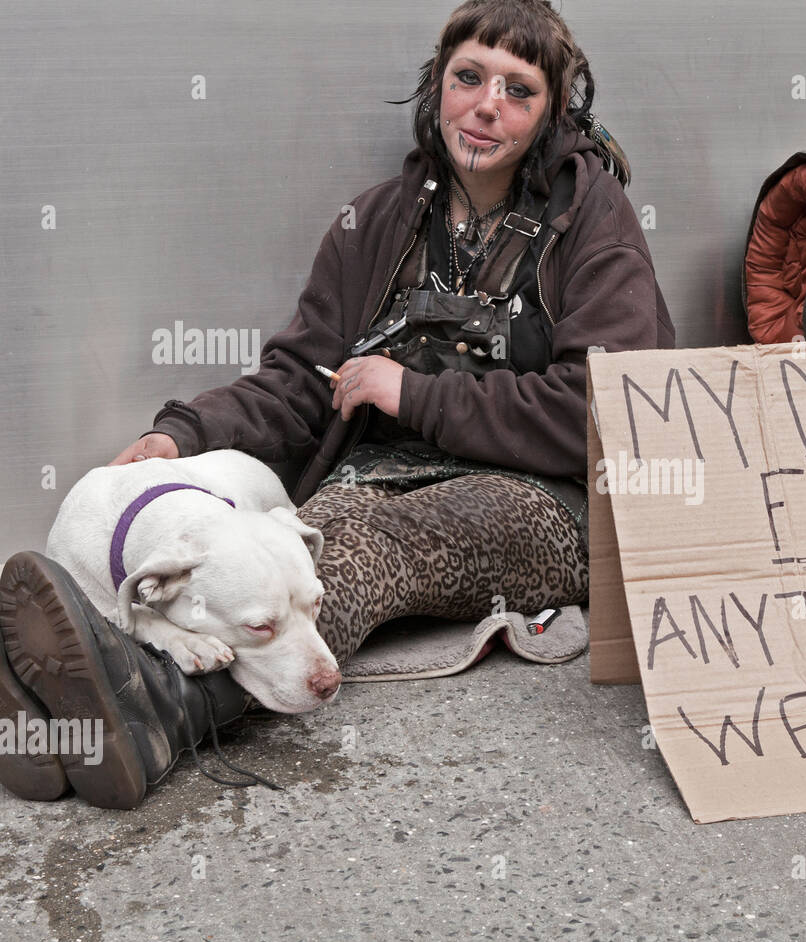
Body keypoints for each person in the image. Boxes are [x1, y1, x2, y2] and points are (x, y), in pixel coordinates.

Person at [0, 0, 674, 809]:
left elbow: (605, 410)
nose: (488, 103)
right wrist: (181, 434)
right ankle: (61, 708)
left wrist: (415, 393)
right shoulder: (379, 219)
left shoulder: (592, 219)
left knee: (354, 541)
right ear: (438, 88)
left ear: (553, 112)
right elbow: (295, 381)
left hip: (544, 499)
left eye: (519, 90)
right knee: (266, 562)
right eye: (469, 77)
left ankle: (167, 709)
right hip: (378, 474)